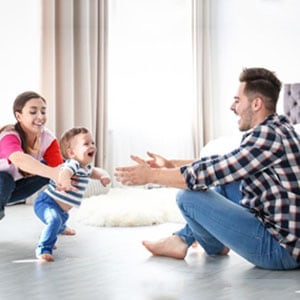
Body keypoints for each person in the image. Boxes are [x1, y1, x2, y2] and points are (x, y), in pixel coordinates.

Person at [115, 67, 300, 270]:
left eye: (237, 100)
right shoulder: (280, 128)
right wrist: (171, 164)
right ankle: (183, 240)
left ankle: (205, 243)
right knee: (228, 184)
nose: (232, 106)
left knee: (188, 197)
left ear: (256, 104)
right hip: (286, 239)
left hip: (280, 250)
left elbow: (210, 172)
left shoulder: (266, 137)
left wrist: (151, 176)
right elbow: (225, 163)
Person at [34, 127, 111, 262]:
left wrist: (103, 176)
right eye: (86, 144)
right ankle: (43, 248)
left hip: (62, 210)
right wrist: (66, 181)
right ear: (71, 153)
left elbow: (94, 172)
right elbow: (65, 172)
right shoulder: (73, 164)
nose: (92, 146)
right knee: (54, 220)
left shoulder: (85, 167)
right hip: (47, 202)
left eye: (92, 142)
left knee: (60, 219)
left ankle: (61, 228)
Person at [0, 91, 64, 221]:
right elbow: (19, 159)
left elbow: (60, 173)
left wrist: (59, 222)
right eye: (33, 112)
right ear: (19, 116)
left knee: (58, 171)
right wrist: (53, 172)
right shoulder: (9, 135)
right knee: (4, 178)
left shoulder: (48, 138)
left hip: (11, 189)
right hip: (3, 183)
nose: (40, 117)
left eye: (43, 112)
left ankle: (57, 219)